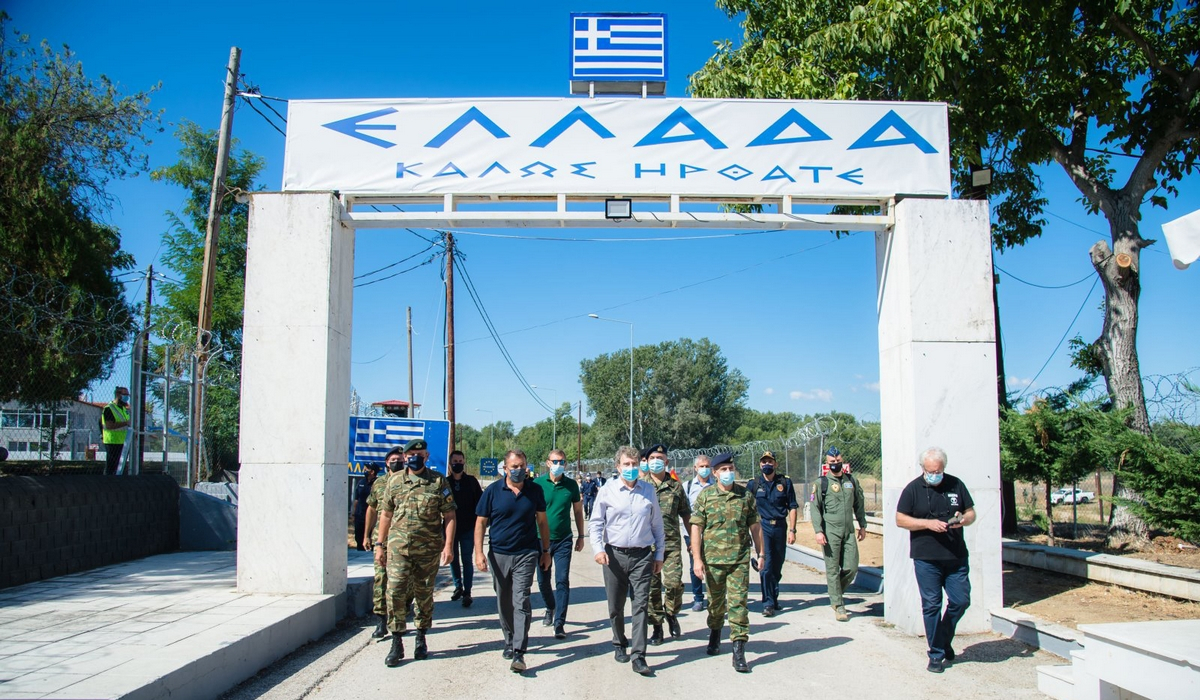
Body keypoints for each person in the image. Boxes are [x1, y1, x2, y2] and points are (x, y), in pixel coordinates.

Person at [375, 439, 456, 667]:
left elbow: (449, 516)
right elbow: (386, 515)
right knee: (395, 592)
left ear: (427, 456)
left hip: (428, 550)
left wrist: (448, 546)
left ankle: (421, 637)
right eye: (411, 453)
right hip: (398, 549)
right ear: (405, 456)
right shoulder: (395, 482)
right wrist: (379, 545)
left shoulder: (438, 482)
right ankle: (397, 641)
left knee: (424, 594)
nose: (415, 457)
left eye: (419, 453)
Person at [895, 447, 976, 674]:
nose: (934, 474)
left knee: (961, 601)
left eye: (938, 470)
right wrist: (928, 524)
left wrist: (964, 520)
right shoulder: (913, 489)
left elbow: (971, 512)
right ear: (923, 468)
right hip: (926, 557)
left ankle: (942, 638)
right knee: (932, 605)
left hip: (956, 556)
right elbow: (900, 520)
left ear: (944, 468)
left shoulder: (956, 484)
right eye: (930, 470)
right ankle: (936, 654)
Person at [588, 445, 665, 677]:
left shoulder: (648, 491)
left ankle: (639, 655)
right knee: (616, 605)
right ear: (618, 467)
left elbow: (657, 525)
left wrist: (659, 554)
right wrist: (598, 549)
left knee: (640, 605)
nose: (631, 468)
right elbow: (596, 523)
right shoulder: (608, 490)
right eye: (626, 464)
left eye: (634, 464)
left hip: (642, 556)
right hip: (614, 556)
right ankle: (619, 642)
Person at [475, 450, 551, 674]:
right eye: (513, 466)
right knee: (504, 599)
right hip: (499, 554)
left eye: (521, 466)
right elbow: (480, 523)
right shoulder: (492, 491)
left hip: (526, 553)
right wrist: (478, 553)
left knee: (521, 599)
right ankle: (509, 638)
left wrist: (545, 550)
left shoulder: (535, 490)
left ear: (527, 466)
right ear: (505, 469)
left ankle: (519, 650)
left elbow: (542, 523)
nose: (518, 470)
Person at [691, 452, 762, 673]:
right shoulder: (706, 496)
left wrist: (761, 554)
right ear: (714, 473)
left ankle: (739, 650)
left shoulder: (745, 496)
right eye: (723, 469)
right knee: (715, 604)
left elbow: (755, 527)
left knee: (738, 604)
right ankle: (714, 633)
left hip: (739, 560)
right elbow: (696, 528)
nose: (728, 473)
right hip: (713, 561)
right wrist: (697, 559)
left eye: (730, 469)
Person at [811, 446, 867, 621]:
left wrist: (862, 524)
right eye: (832, 462)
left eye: (838, 461)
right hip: (830, 531)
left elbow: (859, 503)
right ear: (826, 464)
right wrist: (819, 531)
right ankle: (839, 605)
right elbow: (815, 508)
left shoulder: (851, 481)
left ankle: (835, 594)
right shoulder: (821, 483)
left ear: (842, 461)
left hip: (848, 530)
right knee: (833, 569)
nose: (835, 464)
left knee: (851, 567)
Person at [534, 449, 585, 640]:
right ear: (547, 463)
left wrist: (581, 535)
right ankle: (550, 606)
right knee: (542, 580)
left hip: (563, 539)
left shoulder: (571, 485)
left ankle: (560, 623)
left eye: (562, 462)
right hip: (541, 540)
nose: (558, 465)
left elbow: (578, 512)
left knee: (562, 580)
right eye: (555, 461)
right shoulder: (537, 484)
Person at [643, 444, 691, 645]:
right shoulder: (641, 485)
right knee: (652, 589)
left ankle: (671, 614)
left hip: (671, 544)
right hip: (647, 545)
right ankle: (657, 626)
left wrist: (694, 541)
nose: (656, 461)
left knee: (673, 584)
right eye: (652, 457)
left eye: (659, 458)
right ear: (646, 461)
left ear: (667, 462)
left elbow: (686, 514)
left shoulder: (676, 486)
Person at [749, 451, 798, 617]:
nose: (767, 465)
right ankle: (768, 603)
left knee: (777, 564)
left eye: (770, 461)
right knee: (767, 565)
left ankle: (774, 596)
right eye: (764, 462)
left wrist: (792, 530)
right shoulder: (754, 484)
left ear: (775, 464)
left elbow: (792, 506)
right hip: (763, 527)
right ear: (760, 465)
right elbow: (747, 507)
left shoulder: (784, 482)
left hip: (780, 527)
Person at [364, 446, 403, 639]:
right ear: (387, 462)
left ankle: (400, 614)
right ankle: (380, 620)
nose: (398, 462)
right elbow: (371, 509)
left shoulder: (408, 481)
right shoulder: (379, 484)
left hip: (403, 540)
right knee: (380, 579)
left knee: (404, 582)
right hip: (382, 540)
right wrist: (366, 535)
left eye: (400, 459)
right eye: (394, 459)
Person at [447, 449, 483, 608]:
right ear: (450, 464)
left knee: (467, 559)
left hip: (469, 527)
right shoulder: (445, 482)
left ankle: (467, 592)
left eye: (460, 462)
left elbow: (480, 503)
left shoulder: (471, 482)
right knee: (452, 558)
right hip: (450, 528)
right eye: (455, 462)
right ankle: (458, 586)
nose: (458, 464)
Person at [682, 454, 714, 611]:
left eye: (707, 466)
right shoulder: (687, 487)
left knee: (713, 565)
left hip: (714, 532)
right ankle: (698, 598)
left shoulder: (716, 485)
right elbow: (684, 511)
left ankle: (714, 597)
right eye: (701, 466)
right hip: (692, 532)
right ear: (695, 468)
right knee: (695, 564)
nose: (704, 469)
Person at [100, 386, 132, 475]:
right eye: (125, 394)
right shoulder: (109, 408)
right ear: (118, 395)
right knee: (111, 467)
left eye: (128, 395)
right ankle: (107, 483)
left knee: (121, 467)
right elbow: (109, 425)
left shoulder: (124, 409)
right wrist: (125, 423)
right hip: (112, 441)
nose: (127, 397)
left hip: (124, 441)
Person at [353, 464, 380, 551]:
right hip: (360, 514)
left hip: (372, 514)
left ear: (372, 471)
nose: (364, 470)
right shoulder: (361, 482)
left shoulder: (378, 483)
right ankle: (360, 549)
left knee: (371, 535)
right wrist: (353, 512)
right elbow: (356, 499)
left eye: (367, 469)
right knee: (358, 535)